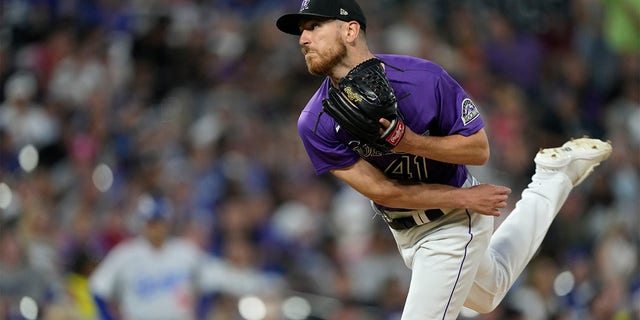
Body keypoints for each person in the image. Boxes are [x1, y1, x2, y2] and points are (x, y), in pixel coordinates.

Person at [275, 0, 613, 319]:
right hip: (413, 225)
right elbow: (384, 191)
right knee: (489, 292)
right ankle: (552, 178)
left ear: (350, 31)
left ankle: (553, 179)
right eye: (301, 31)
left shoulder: (421, 79)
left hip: (452, 223)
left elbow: (478, 149)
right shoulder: (314, 121)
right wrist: (464, 197)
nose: (303, 39)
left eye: (314, 26)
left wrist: (411, 142)